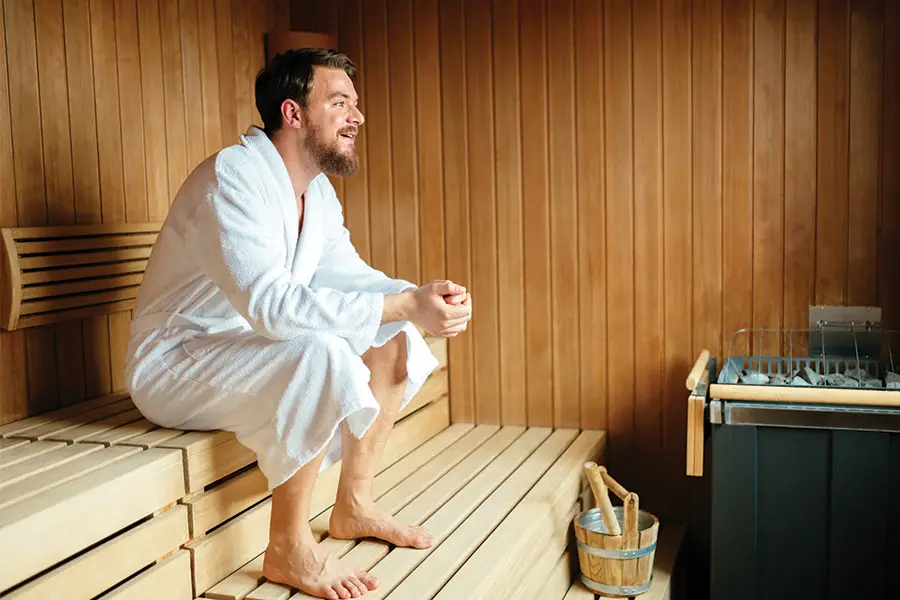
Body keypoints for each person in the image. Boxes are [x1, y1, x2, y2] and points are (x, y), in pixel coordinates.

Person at [124, 48, 472, 600]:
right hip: (178, 361)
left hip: (247, 350)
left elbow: (351, 279)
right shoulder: (233, 178)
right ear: (293, 113)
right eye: (339, 103)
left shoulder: (319, 195)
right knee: (320, 350)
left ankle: (353, 504)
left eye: (356, 105)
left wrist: (418, 299)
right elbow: (273, 306)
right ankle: (287, 546)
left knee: (394, 334)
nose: (357, 116)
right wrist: (404, 305)